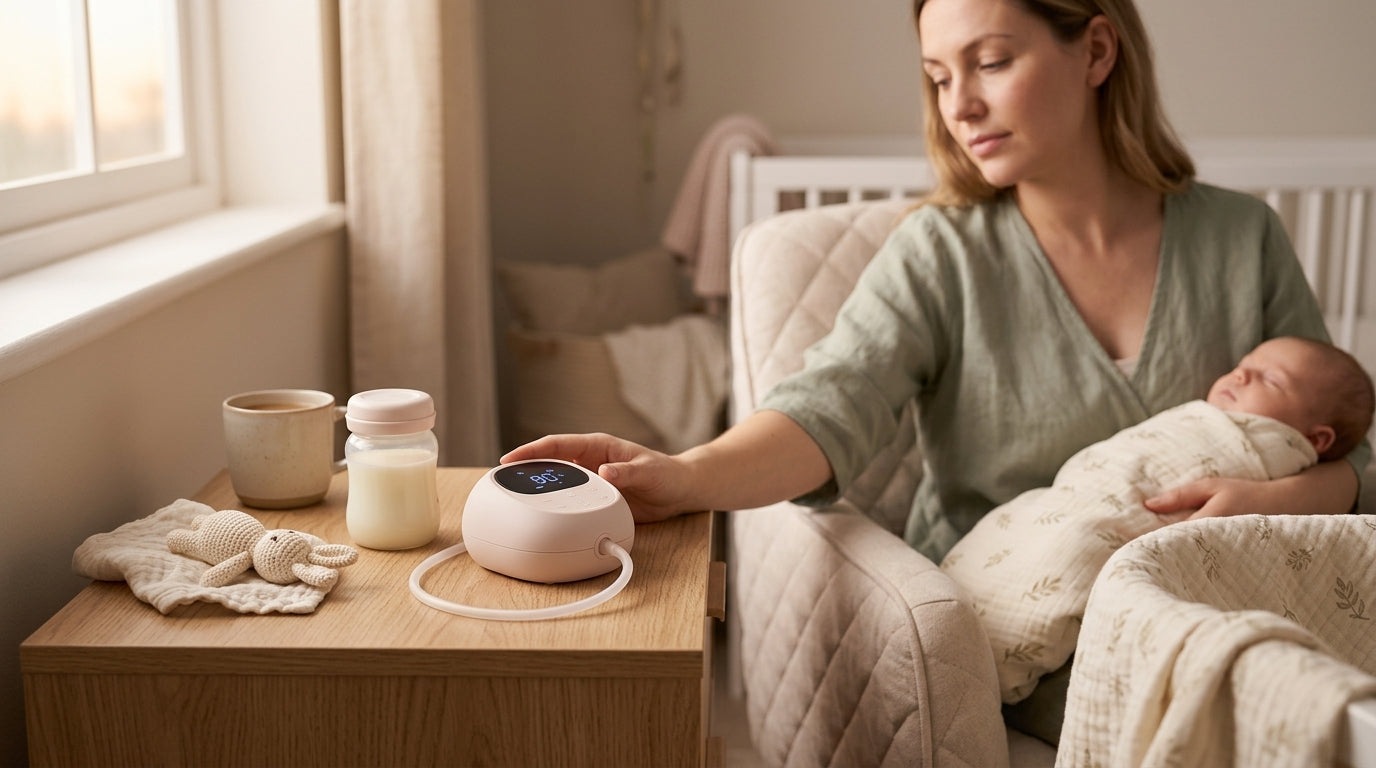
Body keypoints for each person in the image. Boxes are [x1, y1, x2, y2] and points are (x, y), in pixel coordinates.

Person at [505, 0, 1372, 746]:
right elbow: (828, 406)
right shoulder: (940, 253)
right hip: (1040, 642)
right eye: (937, 76)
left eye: (990, 62)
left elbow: (1348, 443)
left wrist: (1280, 497)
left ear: (1097, 51)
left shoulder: (1242, 239)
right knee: (1264, 696)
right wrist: (684, 475)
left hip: (1231, 587)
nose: (960, 104)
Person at [940, 335, 1375, 709]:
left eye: (1271, 379)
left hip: (1122, 550)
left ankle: (999, 647)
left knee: (1076, 546)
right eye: (1243, 365)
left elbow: (1355, 459)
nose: (1242, 375)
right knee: (1048, 522)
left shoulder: (1274, 450)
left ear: (1314, 439)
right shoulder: (1198, 420)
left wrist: (1268, 497)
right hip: (1070, 496)